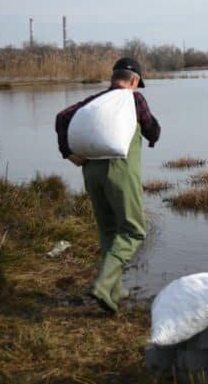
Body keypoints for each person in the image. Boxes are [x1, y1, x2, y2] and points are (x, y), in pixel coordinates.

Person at [55, 57, 161, 314]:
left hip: (91, 173)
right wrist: (152, 131)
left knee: (108, 230)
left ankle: (115, 289)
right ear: (134, 81)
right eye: (137, 84)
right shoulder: (135, 100)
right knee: (134, 231)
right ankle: (103, 285)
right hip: (119, 173)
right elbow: (152, 130)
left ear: (113, 78)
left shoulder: (95, 101)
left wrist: (68, 152)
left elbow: (62, 117)